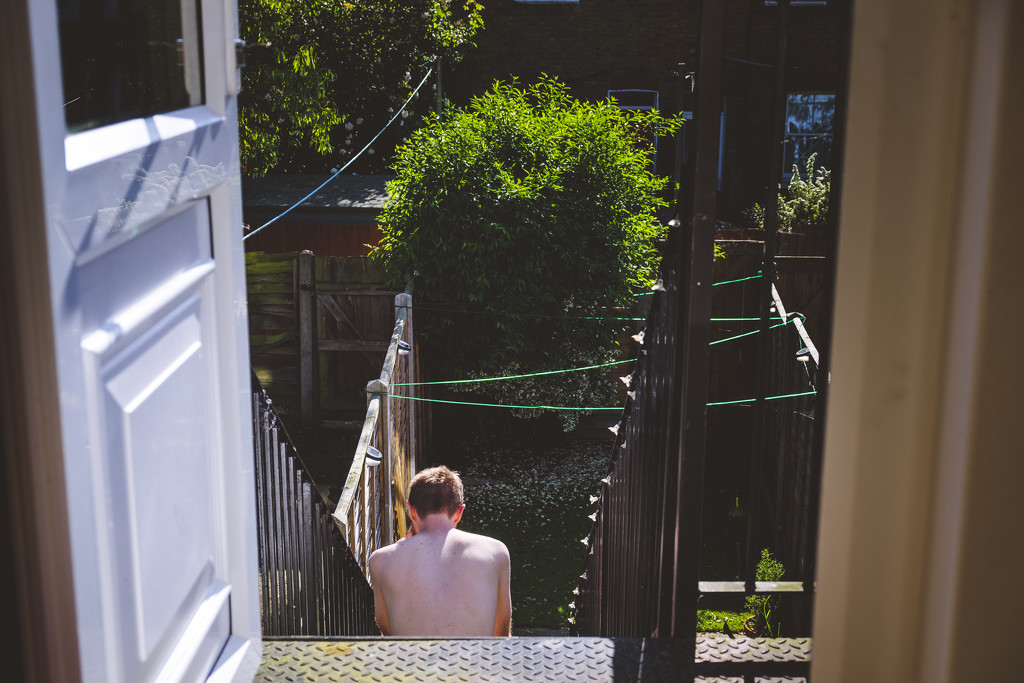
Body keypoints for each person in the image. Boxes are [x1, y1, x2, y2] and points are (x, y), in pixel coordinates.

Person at [368, 465, 512, 637]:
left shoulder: (381, 560)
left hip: (411, 663)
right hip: (474, 662)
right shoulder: (496, 552)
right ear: (459, 512)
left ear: (411, 511)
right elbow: (501, 635)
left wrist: (404, 547)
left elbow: (388, 630)